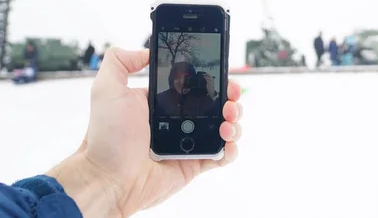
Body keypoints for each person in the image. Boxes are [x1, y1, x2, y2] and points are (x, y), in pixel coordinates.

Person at [0, 48, 244, 217]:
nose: (183, 82)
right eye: (177, 76)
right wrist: (103, 176)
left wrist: (212, 95)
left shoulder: (202, 101)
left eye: (187, 77)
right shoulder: (157, 102)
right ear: (170, 79)